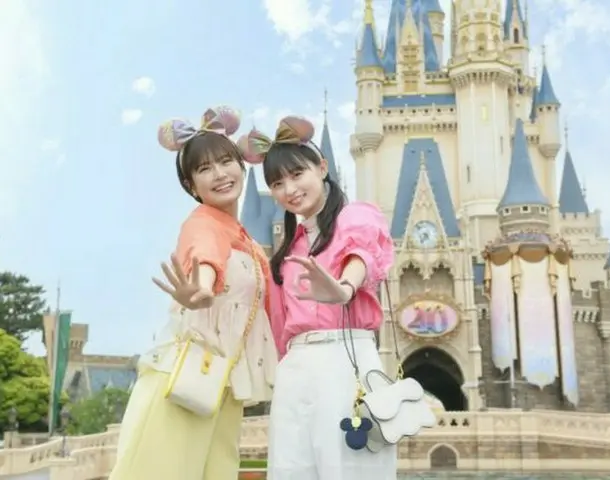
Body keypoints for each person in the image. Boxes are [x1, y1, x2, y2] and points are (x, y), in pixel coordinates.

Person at [109, 106, 278, 480]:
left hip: (222, 381)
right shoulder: (203, 224)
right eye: (204, 169)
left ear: (242, 166)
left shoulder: (246, 239)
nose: (219, 174)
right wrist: (201, 290)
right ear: (191, 186)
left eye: (225, 162)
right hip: (188, 378)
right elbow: (205, 258)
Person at [238, 116, 397, 479]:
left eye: (297, 175)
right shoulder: (287, 253)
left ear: (322, 168)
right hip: (296, 368)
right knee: (291, 468)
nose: (289, 189)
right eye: (278, 183)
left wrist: (344, 289)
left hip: (345, 359)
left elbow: (361, 253)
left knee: (351, 468)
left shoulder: (355, 216)